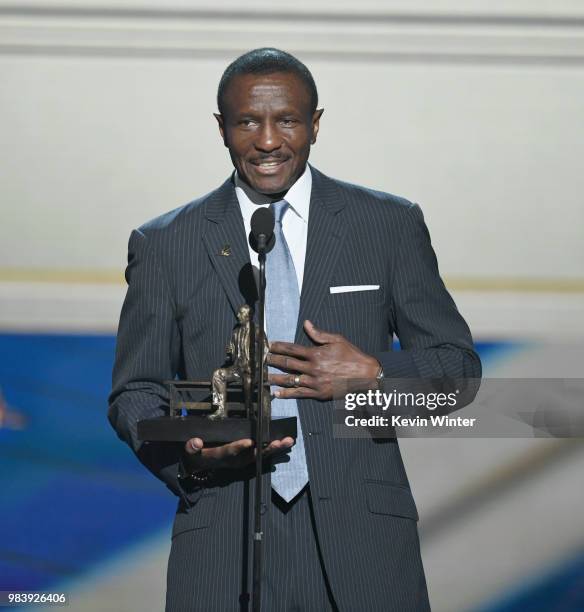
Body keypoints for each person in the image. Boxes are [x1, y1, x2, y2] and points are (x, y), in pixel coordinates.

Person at [108, 47, 481, 611]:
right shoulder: (166, 244)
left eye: (286, 119)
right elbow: (135, 392)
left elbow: (458, 370)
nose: (266, 141)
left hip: (365, 546)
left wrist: (375, 372)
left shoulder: (387, 225)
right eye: (247, 122)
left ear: (315, 124)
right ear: (221, 128)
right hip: (222, 535)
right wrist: (188, 456)